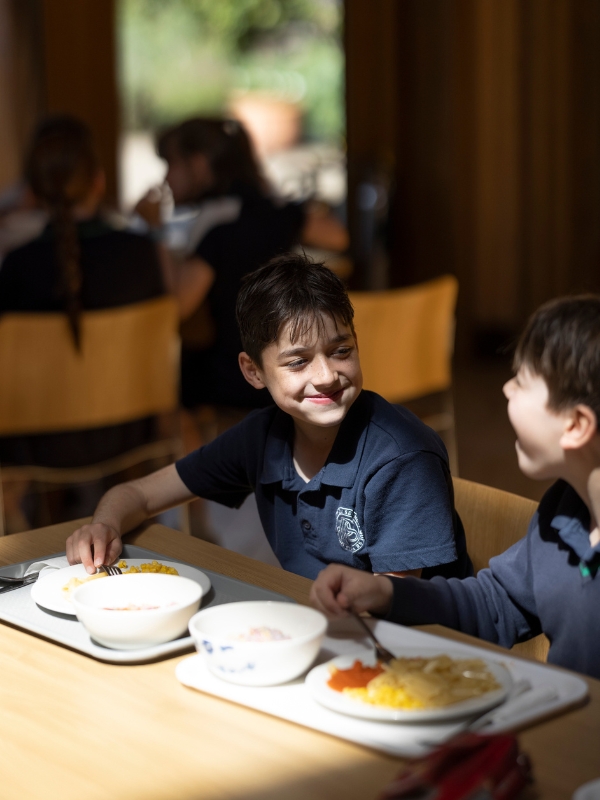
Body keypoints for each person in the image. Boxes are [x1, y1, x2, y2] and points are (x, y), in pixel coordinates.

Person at [66, 253, 472, 582]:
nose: (327, 375)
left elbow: (392, 609)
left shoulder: (400, 457)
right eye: (298, 362)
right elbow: (138, 495)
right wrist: (103, 525)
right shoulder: (264, 438)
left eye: (341, 351)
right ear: (253, 372)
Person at [310, 295, 600, 679]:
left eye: (523, 381)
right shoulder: (565, 507)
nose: (507, 390)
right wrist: (384, 593)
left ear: (576, 425)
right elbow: (496, 603)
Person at [0, 115, 166, 528]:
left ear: (34, 192)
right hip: (132, 432)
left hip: (36, 443)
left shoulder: (19, 266)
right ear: (99, 181)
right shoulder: (140, 252)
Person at [136, 116, 348, 414]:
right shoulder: (272, 210)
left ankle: (197, 458)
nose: (166, 179)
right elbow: (338, 237)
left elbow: (179, 306)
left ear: (198, 165)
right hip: (287, 363)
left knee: (158, 374)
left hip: (237, 373)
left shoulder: (215, 220)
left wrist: (154, 230)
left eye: (171, 164)